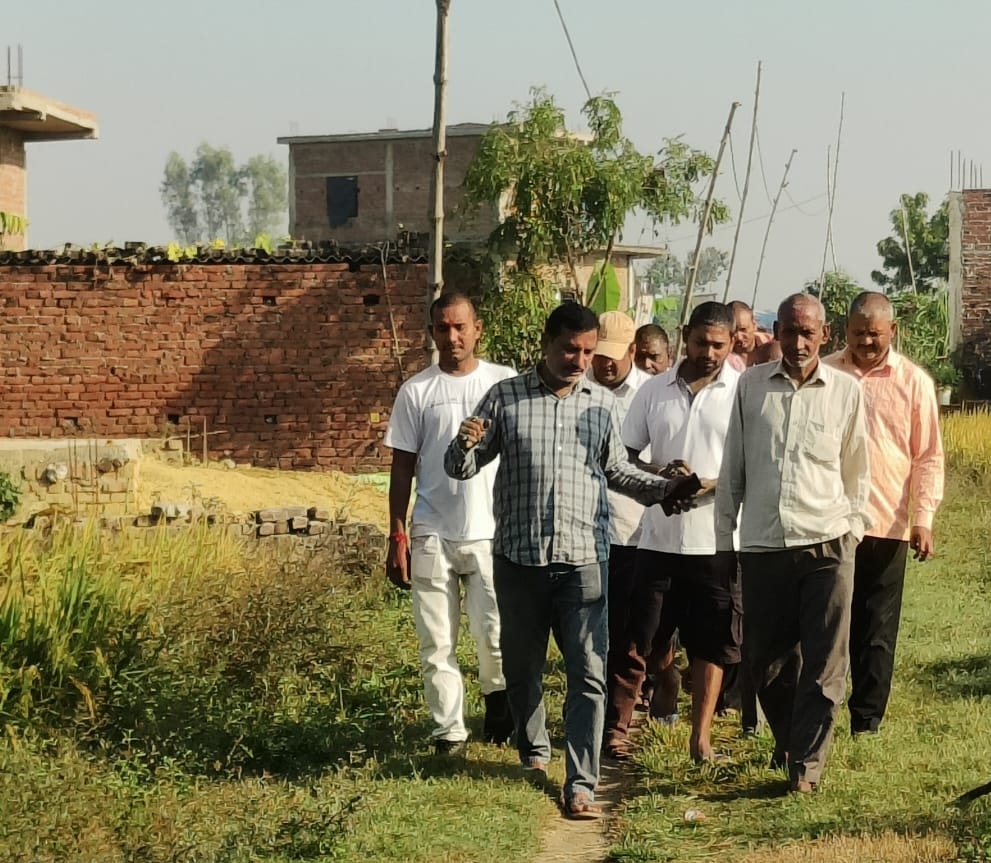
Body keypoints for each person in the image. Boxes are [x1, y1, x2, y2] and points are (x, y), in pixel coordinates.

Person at [444, 303, 702, 820]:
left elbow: (618, 472)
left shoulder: (601, 406)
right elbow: (462, 467)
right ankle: (535, 750)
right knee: (523, 668)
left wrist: (665, 489)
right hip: (519, 560)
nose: (580, 361)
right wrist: (463, 444)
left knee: (589, 672)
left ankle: (582, 781)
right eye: (570, 350)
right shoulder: (506, 398)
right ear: (546, 343)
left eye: (587, 351)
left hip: (584, 560)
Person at [715, 293, 871, 793]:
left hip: (828, 542)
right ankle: (788, 740)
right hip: (764, 544)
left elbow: (857, 472)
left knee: (826, 662)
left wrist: (852, 531)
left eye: (808, 333)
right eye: (789, 331)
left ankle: (806, 766)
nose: (798, 343)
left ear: (825, 335)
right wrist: (723, 539)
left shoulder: (845, 391)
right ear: (775, 333)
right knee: (764, 661)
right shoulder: (751, 386)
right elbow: (732, 468)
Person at [605, 302, 742, 763]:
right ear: (685, 336)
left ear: (732, 343)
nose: (709, 353)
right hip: (658, 536)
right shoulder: (654, 391)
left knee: (711, 640)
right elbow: (625, 456)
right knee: (644, 637)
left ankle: (700, 737)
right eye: (701, 342)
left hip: (717, 538)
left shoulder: (741, 391)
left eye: (719, 345)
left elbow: (750, 463)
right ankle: (661, 683)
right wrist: (662, 481)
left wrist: (707, 484)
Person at [384, 293, 516, 755]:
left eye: (461, 327)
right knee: (436, 640)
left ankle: (499, 706)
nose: (453, 337)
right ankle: (449, 732)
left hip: (492, 531)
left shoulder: (504, 383)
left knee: (493, 634)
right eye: (443, 328)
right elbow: (402, 467)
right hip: (432, 531)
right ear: (432, 333)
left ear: (478, 329)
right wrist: (397, 534)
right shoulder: (416, 391)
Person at [824, 291, 944, 736]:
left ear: (892, 330)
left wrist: (923, 519)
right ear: (845, 331)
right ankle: (821, 709)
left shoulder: (914, 382)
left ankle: (867, 720)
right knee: (828, 620)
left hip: (886, 520)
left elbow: (927, 456)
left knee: (876, 625)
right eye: (858, 333)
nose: (866, 342)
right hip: (830, 520)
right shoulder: (826, 373)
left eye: (874, 334)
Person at [584, 312, 654, 741]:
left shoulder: (650, 394)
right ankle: (588, 715)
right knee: (586, 633)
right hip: (582, 532)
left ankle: (617, 723)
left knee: (628, 635)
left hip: (631, 531)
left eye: (612, 355)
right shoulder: (576, 389)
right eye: (598, 354)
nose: (604, 363)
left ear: (632, 350)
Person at [728, 300, 781, 369]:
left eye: (743, 330)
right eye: (733, 331)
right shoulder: (721, 353)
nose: (739, 337)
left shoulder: (773, 345)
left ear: (754, 325)